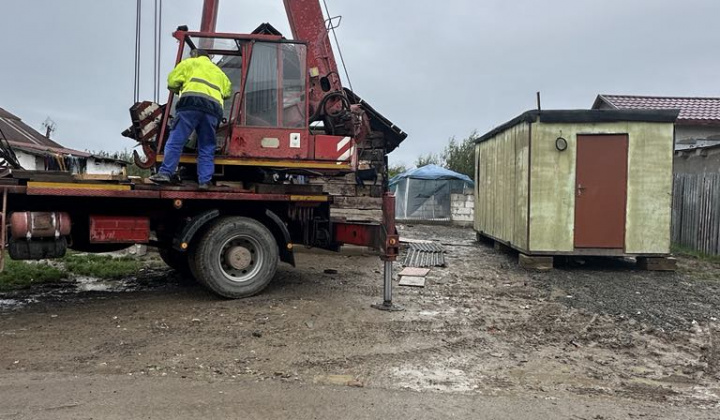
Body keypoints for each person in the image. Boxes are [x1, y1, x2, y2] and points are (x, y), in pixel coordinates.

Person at [149, 49, 232, 189]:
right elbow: (227, 93)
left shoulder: (189, 63)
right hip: (213, 110)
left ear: (195, 55)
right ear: (209, 58)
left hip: (190, 105)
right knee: (206, 146)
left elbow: (172, 82)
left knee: (176, 140)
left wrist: (180, 89)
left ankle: (165, 173)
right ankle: (204, 181)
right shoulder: (220, 73)